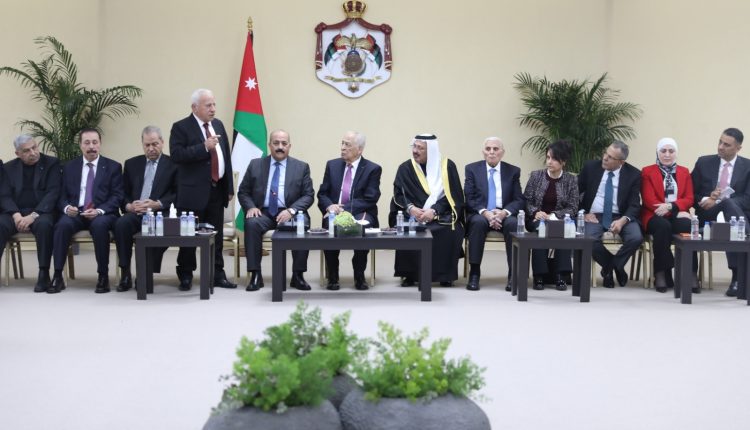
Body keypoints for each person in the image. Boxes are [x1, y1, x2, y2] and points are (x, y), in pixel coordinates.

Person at [169, 89, 236, 291]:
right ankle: (186, 274)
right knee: (189, 237)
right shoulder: (181, 127)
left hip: (217, 190)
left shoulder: (218, 125)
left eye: (214, 104)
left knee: (216, 236)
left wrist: (229, 187)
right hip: (192, 194)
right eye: (208, 105)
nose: (213, 109)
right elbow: (177, 155)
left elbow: (226, 157)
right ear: (194, 107)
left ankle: (217, 274)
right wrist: (204, 147)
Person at [238, 129, 314, 292]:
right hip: (263, 212)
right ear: (269, 145)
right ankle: (255, 275)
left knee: (303, 225)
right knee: (251, 224)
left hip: (289, 213)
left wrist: (292, 210)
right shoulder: (255, 165)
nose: (280, 147)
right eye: (276, 143)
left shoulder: (301, 167)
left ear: (289, 146)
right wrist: (251, 207)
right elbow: (243, 192)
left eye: (284, 143)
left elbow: (308, 195)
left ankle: (298, 275)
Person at [49, 128, 123, 294]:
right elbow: (61, 195)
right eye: (87, 143)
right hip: (77, 213)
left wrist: (99, 210)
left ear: (100, 144)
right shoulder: (69, 167)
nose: (91, 147)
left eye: (95, 142)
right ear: (80, 145)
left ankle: (103, 276)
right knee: (62, 225)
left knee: (99, 226)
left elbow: (117, 196)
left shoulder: (113, 167)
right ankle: (58, 275)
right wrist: (67, 208)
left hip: (101, 214)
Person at [389, 133, 465, 286]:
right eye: (414, 146)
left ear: (431, 150)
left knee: (448, 230)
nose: (415, 151)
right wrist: (411, 208)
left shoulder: (447, 166)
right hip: (413, 214)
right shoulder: (405, 168)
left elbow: (454, 195)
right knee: (407, 228)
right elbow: (398, 194)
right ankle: (410, 275)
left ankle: (444, 275)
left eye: (420, 148)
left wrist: (434, 210)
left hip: (439, 214)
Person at [113, 126, 177, 292]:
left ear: (162, 142)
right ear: (142, 144)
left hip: (158, 213)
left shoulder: (173, 164)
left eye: (155, 144)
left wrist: (157, 204)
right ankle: (125, 272)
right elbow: (122, 192)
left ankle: (145, 272)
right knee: (121, 224)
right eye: (147, 145)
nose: (151, 148)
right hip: (136, 212)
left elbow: (177, 193)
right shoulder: (131, 164)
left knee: (163, 230)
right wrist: (129, 206)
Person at [317, 131, 382, 291]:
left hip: (360, 211)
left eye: (348, 145)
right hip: (334, 211)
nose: (343, 148)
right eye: (342, 143)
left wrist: (344, 209)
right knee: (330, 226)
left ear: (359, 149)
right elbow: (322, 194)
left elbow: (370, 198)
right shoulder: (332, 165)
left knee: (363, 226)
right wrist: (330, 206)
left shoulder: (372, 169)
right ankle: (333, 276)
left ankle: (359, 275)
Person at [691, 127, 750, 297]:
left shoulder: (748, 167)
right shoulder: (703, 162)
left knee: (730, 213)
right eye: (720, 142)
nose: (720, 147)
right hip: (708, 214)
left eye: (727, 145)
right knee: (736, 226)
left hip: (735, 214)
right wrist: (707, 198)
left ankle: (737, 277)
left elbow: (747, 199)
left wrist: (721, 200)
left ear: (738, 148)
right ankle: (746, 238)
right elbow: (691, 194)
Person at [578, 140, 643, 288]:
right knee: (589, 240)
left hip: (621, 216)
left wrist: (622, 221)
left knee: (636, 238)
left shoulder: (633, 174)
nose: (605, 158)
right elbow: (574, 194)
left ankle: (611, 268)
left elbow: (634, 204)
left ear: (621, 162)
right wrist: (583, 213)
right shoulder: (591, 168)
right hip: (594, 216)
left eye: (610, 157)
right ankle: (613, 268)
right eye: (605, 153)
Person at [0, 135, 61, 292]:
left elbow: (53, 193)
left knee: (44, 225)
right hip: (16, 212)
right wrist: (16, 215)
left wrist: (33, 216)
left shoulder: (51, 163)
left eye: (34, 147)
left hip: (42, 211)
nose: (33, 153)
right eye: (26, 151)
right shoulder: (8, 168)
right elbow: (4, 195)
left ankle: (43, 273)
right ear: (17, 153)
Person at [463, 137, 524, 292]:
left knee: (513, 224)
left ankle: (513, 275)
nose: (491, 152)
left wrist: (503, 213)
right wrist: (486, 213)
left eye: (495, 149)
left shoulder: (513, 171)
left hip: (504, 213)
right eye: (488, 149)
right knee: (477, 223)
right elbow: (469, 198)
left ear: (502, 152)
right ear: (483, 152)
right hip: (481, 213)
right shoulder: (472, 169)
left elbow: (518, 199)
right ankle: (474, 273)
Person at [523, 140, 579, 291]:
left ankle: (561, 276)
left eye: (554, 159)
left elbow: (573, 207)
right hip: (537, 219)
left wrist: (553, 215)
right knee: (541, 230)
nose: (549, 161)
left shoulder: (571, 180)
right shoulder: (536, 176)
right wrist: (536, 212)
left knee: (562, 231)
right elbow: (526, 200)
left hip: (559, 220)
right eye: (548, 157)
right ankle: (539, 276)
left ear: (563, 162)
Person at [640, 138, 694, 293]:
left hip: (677, 214)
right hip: (653, 215)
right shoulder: (647, 171)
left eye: (671, 151)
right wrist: (674, 210)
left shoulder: (684, 172)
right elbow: (649, 200)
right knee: (663, 226)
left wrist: (672, 207)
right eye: (663, 151)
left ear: (676, 153)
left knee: (687, 225)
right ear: (657, 152)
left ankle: (691, 273)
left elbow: (689, 198)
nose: (667, 154)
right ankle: (661, 273)